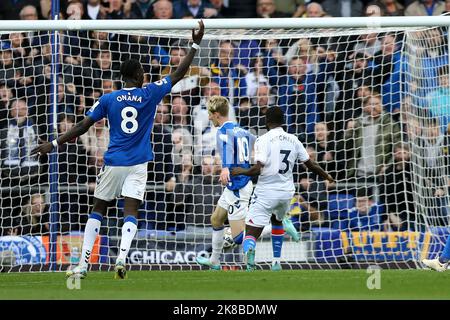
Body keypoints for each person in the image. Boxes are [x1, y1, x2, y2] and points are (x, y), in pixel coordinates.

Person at [31, 20, 205, 279]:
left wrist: (53, 143)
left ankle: (83, 264)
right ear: (138, 76)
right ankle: (122, 258)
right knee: (131, 211)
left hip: (113, 162)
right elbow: (179, 74)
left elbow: (82, 127)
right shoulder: (149, 93)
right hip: (138, 163)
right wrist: (194, 43)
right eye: (143, 72)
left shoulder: (108, 99)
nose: (146, 74)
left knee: (98, 210)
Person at [231, 107, 334, 271]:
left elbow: (257, 169)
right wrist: (326, 176)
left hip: (266, 190)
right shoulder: (294, 139)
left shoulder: (262, 140)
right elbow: (310, 164)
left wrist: (240, 171)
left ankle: (250, 255)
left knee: (250, 232)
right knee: (277, 220)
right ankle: (276, 262)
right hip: (286, 192)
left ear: (266, 121)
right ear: (283, 121)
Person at [195, 95, 255, 270]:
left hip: (238, 186)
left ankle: (275, 225)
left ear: (216, 114)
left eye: (210, 114)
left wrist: (226, 168)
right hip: (235, 185)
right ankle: (214, 260)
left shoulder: (222, 131)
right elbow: (254, 144)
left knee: (237, 237)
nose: (209, 118)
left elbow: (227, 150)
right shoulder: (243, 131)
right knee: (216, 219)